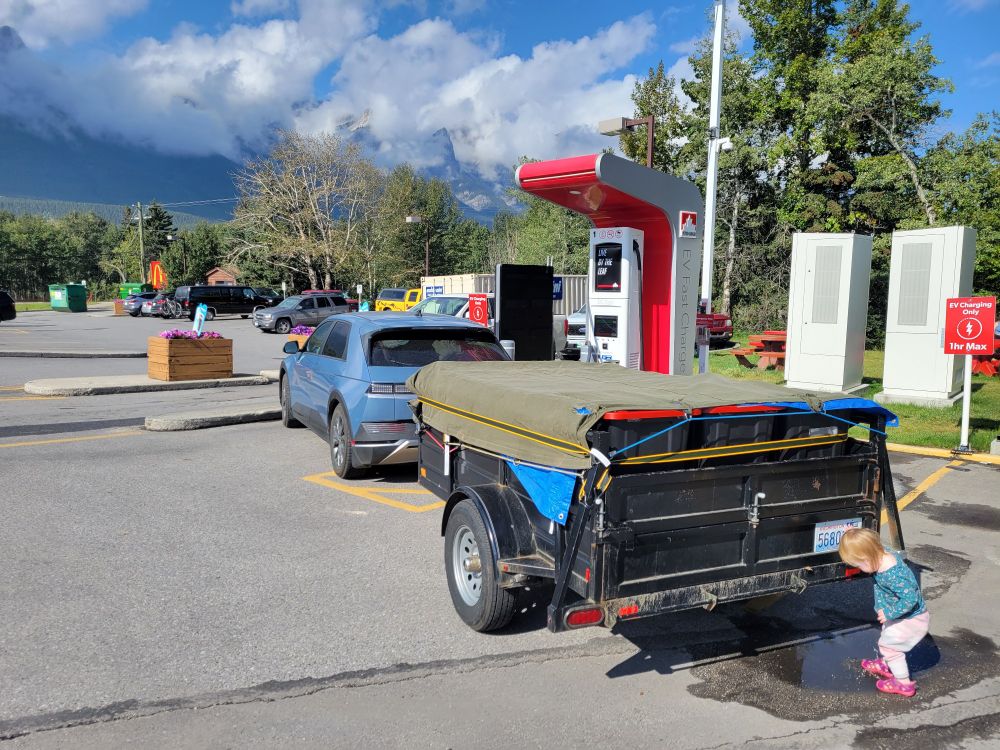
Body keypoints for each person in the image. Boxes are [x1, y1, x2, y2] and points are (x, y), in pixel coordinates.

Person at [838, 528, 929, 697]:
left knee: (889, 647)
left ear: (868, 557)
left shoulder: (892, 574)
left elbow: (911, 598)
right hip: (900, 616)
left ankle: (903, 684)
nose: (859, 569)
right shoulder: (882, 553)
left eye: (859, 565)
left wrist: (889, 613)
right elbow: (869, 543)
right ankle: (887, 664)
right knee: (888, 639)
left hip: (910, 618)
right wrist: (853, 535)